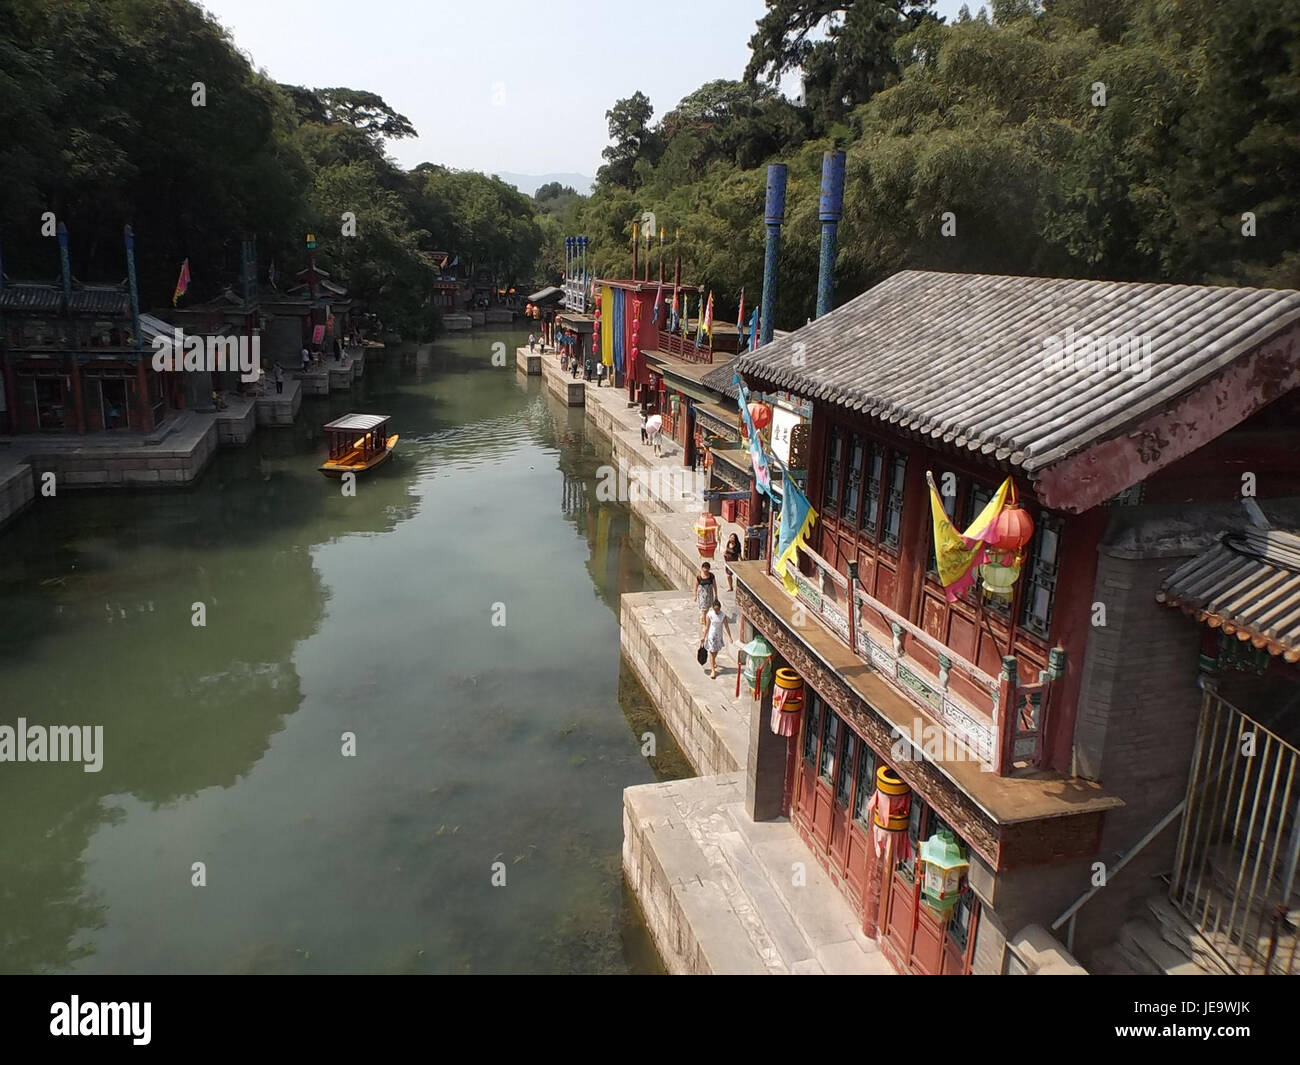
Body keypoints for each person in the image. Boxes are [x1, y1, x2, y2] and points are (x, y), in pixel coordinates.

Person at [701, 599, 732, 679]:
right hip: (711, 635)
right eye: (715, 609)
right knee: (711, 652)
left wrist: (729, 636)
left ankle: (713, 661)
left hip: (719, 636)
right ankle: (713, 670)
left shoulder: (723, 615)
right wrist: (704, 637)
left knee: (716, 651)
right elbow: (707, 627)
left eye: (717, 609)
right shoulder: (710, 615)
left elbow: (726, 626)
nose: (716, 611)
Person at [695, 562, 717, 626]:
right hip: (702, 595)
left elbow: (714, 585)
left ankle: (702, 616)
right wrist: (695, 595)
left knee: (707, 608)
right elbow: (695, 586)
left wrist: (716, 595)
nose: (706, 571)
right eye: (704, 569)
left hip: (709, 594)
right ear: (702, 568)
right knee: (704, 610)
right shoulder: (699, 577)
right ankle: (705, 625)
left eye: (707, 569)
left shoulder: (711, 576)